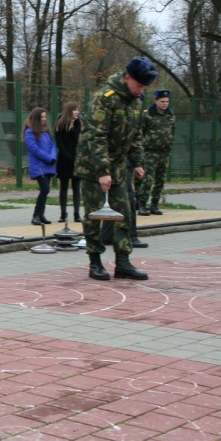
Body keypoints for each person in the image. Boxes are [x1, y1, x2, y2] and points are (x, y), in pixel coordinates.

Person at [76, 56, 157, 281]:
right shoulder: (104, 98)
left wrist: (138, 161)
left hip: (119, 167)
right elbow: (96, 136)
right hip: (93, 167)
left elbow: (136, 135)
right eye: (139, 85)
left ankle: (123, 262)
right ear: (127, 77)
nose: (142, 90)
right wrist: (103, 171)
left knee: (124, 213)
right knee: (94, 215)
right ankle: (95, 262)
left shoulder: (136, 102)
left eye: (145, 87)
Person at [137, 89, 176, 216]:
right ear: (156, 101)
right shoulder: (147, 115)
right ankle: (142, 204)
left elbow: (172, 131)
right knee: (148, 179)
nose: (165, 104)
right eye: (162, 101)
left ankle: (154, 204)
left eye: (167, 101)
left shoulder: (170, 115)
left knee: (160, 180)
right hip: (150, 153)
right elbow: (140, 132)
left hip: (164, 152)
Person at [24, 107, 57, 225]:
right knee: (45, 189)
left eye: (45, 117)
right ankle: (36, 215)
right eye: (42, 117)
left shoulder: (46, 131)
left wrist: (53, 157)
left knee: (46, 190)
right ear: (36, 118)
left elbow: (52, 145)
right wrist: (49, 158)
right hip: (38, 166)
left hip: (48, 165)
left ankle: (41, 214)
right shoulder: (29, 132)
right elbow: (34, 149)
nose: (44, 119)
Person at [55, 102, 82, 223]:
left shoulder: (79, 122)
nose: (77, 112)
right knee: (64, 187)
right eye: (75, 110)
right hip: (64, 160)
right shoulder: (61, 122)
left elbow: (79, 140)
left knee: (76, 187)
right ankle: (63, 213)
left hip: (76, 159)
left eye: (78, 110)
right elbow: (59, 141)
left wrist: (75, 124)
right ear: (69, 111)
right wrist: (66, 155)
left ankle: (77, 213)